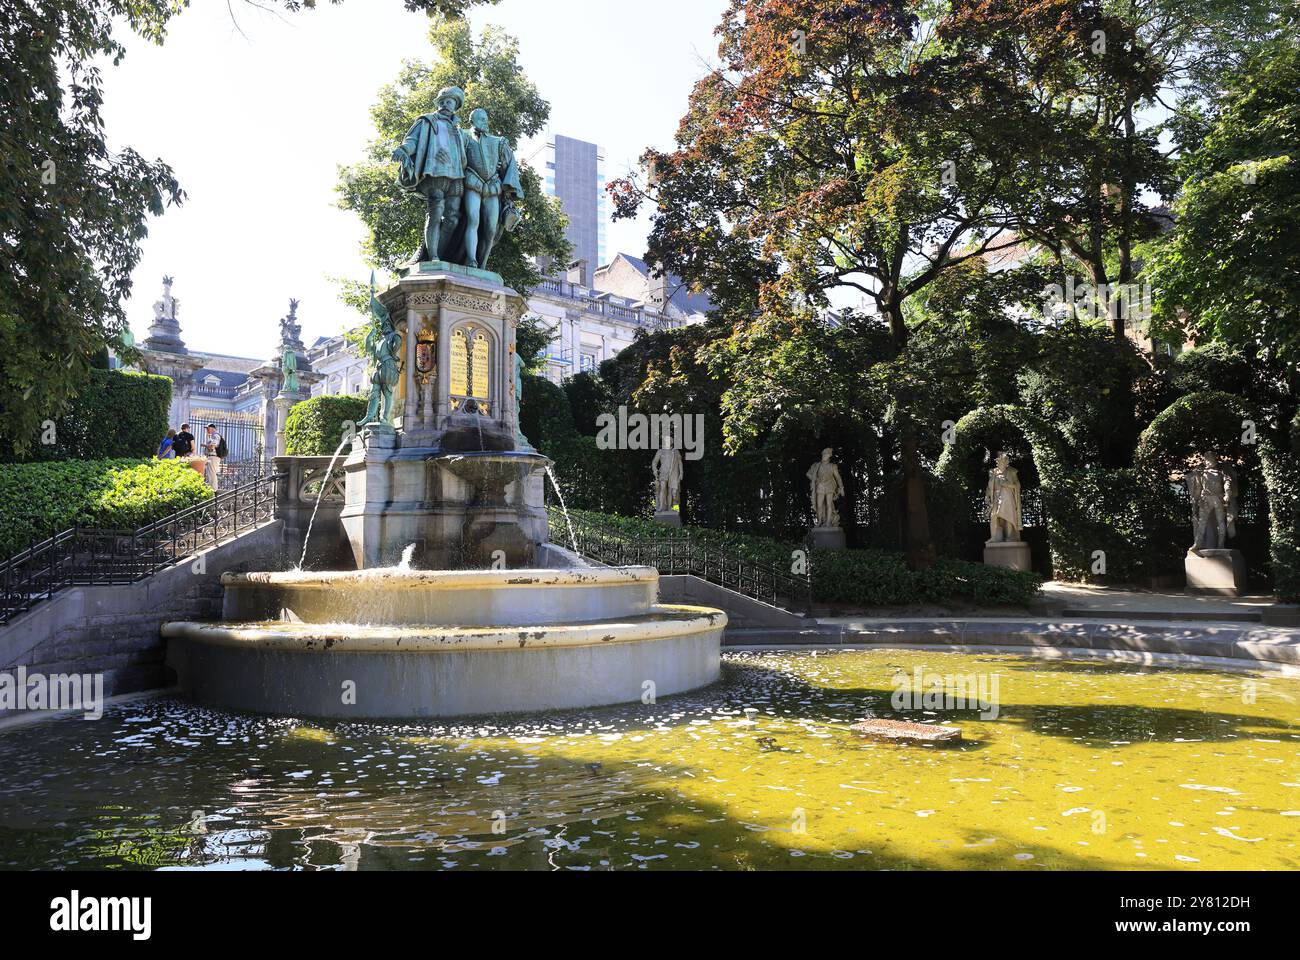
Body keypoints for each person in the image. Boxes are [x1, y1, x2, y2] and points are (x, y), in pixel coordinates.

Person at [202, 423, 224, 491]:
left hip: (213, 457)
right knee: (211, 475)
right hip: (212, 457)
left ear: (211, 428)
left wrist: (204, 445)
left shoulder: (215, 435)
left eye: (207, 428)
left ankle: (213, 491)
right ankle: (213, 491)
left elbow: (212, 446)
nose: (207, 430)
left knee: (211, 475)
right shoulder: (213, 436)